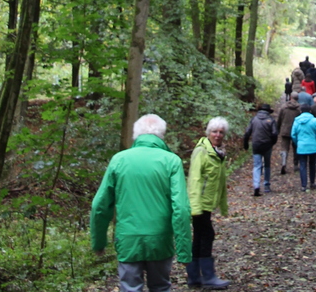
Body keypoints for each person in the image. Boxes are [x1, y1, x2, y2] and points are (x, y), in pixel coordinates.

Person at [90, 114, 192, 292]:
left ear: (135, 134)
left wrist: (99, 241)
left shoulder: (119, 160)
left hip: (128, 239)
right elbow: (181, 208)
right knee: (160, 287)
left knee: (130, 288)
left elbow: (99, 205)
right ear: (161, 135)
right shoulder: (171, 161)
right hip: (160, 240)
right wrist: (184, 250)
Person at [187, 117, 231, 290]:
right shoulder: (202, 152)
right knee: (206, 235)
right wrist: (195, 206)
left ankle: (194, 278)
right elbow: (195, 179)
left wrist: (223, 206)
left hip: (207, 203)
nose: (218, 135)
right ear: (208, 132)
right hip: (200, 203)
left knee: (199, 237)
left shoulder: (217, 152)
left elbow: (220, 183)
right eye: (215, 131)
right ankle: (207, 277)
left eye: (221, 132)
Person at [243, 104, 278, 195]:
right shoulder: (271, 120)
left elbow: (247, 133)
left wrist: (245, 143)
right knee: (267, 165)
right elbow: (274, 133)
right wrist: (272, 142)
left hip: (256, 145)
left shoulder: (254, 119)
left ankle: (256, 186)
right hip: (267, 145)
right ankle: (266, 185)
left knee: (257, 165)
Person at [291, 105, 316, 192]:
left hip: (301, 146)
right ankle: (312, 182)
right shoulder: (314, 120)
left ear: (301, 111)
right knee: (312, 164)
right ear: (310, 111)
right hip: (313, 145)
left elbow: (293, 134)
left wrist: (297, 142)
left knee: (302, 165)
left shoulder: (296, 121)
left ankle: (303, 185)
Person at [276, 92, 301, 174]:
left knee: (284, 147)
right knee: (296, 148)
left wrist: (277, 129)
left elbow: (279, 119)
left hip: (285, 130)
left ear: (290, 97)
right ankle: (296, 165)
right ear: (297, 98)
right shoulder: (299, 109)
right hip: (296, 131)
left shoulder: (284, 107)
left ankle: (284, 163)